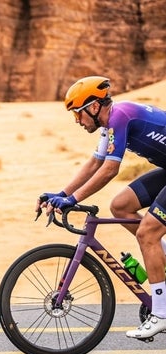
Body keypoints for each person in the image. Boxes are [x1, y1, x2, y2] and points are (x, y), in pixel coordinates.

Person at [36, 76, 166, 339]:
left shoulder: (120, 116)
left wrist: (72, 201)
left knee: (147, 233)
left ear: (94, 107)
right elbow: (95, 163)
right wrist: (62, 193)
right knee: (121, 206)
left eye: (78, 113)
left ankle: (161, 313)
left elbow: (110, 169)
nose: (76, 120)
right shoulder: (109, 125)